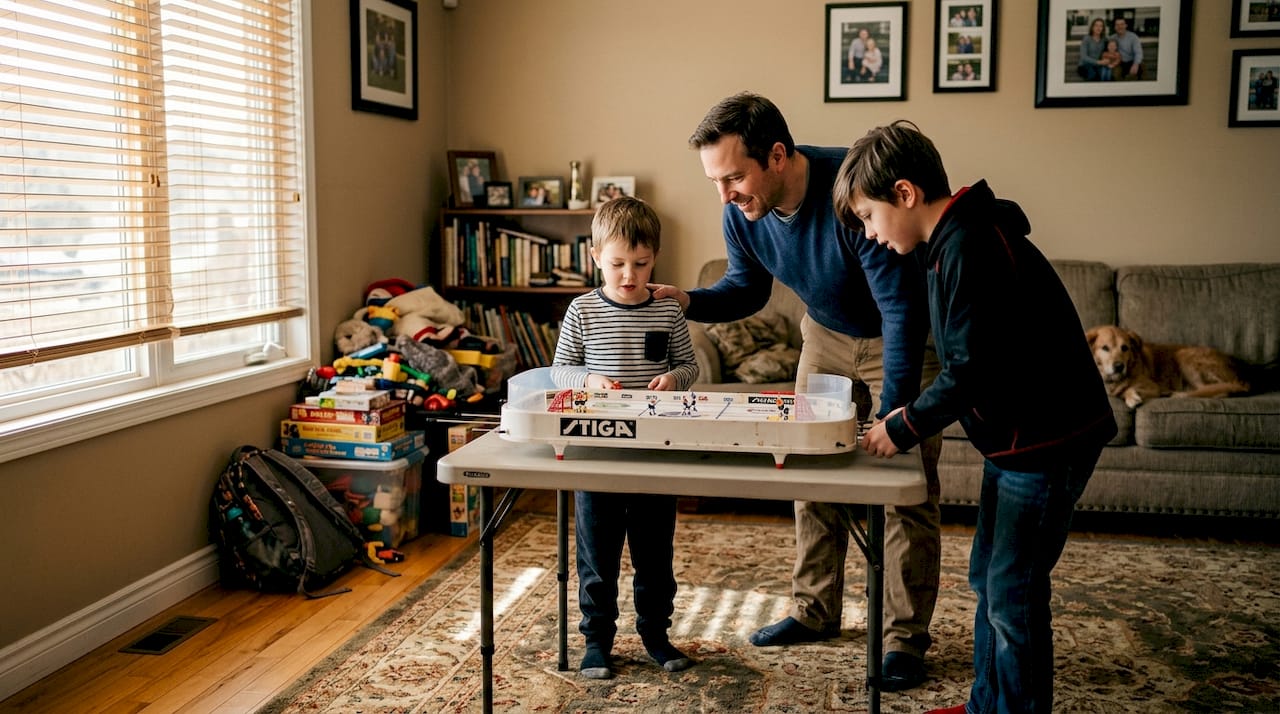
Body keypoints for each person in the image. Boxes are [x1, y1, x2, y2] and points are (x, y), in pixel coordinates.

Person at [649, 92, 941, 693]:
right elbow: (748, 289)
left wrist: (895, 417)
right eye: (715, 180)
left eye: (734, 176)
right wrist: (689, 301)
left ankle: (904, 641)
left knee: (905, 492)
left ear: (778, 156)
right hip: (826, 336)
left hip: (900, 337)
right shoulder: (741, 210)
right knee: (808, 472)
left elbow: (901, 308)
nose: (725, 194)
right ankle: (815, 611)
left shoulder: (850, 188)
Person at [835, 120, 1117, 714]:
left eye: (868, 216)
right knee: (990, 578)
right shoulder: (951, 241)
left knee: (1012, 592)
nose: (869, 233)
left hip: (1045, 440)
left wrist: (901, 425)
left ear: (906, 194)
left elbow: (969, 373)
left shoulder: (969, 247)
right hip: (1019, 441)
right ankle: (986, 703)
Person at [548, 195, 700, 680]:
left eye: (640, 263)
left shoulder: (667, 311)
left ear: (655, 257)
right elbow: (559, 371)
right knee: (597, 553)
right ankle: (597, 641)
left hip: (655, 451)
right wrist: (588, 382)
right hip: (596, 450)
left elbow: (689, 366)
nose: (629, 275)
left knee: (656, 554)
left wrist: (674, 380)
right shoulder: (582, 311)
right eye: (617, 264)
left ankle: (656, 635)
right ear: (595, 257)